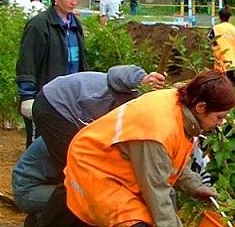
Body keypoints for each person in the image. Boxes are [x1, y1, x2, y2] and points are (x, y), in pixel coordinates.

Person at [64, 71, 235, 227]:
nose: (221, 123)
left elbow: (169, 160)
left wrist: (193, 185)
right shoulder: (157, 131)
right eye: (219, 117)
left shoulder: (179, 104)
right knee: (135, 222)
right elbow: (157, 194)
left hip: (117, 165)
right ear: (201, 107)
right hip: (94, 167)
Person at [12, 65, 165, 226]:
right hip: (53, 104)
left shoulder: (103, 130)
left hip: (59, 109)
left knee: (84, 185)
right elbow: (115, 73)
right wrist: (142, 78)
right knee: (81, 183)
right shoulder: (131, 92)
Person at [15, 0, 87, 148]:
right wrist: (27, 96)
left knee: (63, 149)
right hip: (44, 100)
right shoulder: (38, 26)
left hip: (69, 100)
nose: (73, 2)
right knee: (40, 147)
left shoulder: (75, 26)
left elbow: (81, 64)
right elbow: (27, 61)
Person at [208, 6, 235, 76]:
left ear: (219, 17)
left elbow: (208, 44)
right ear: (229, 17)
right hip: (232, 64)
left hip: (219, 65)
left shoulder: (216, 29)